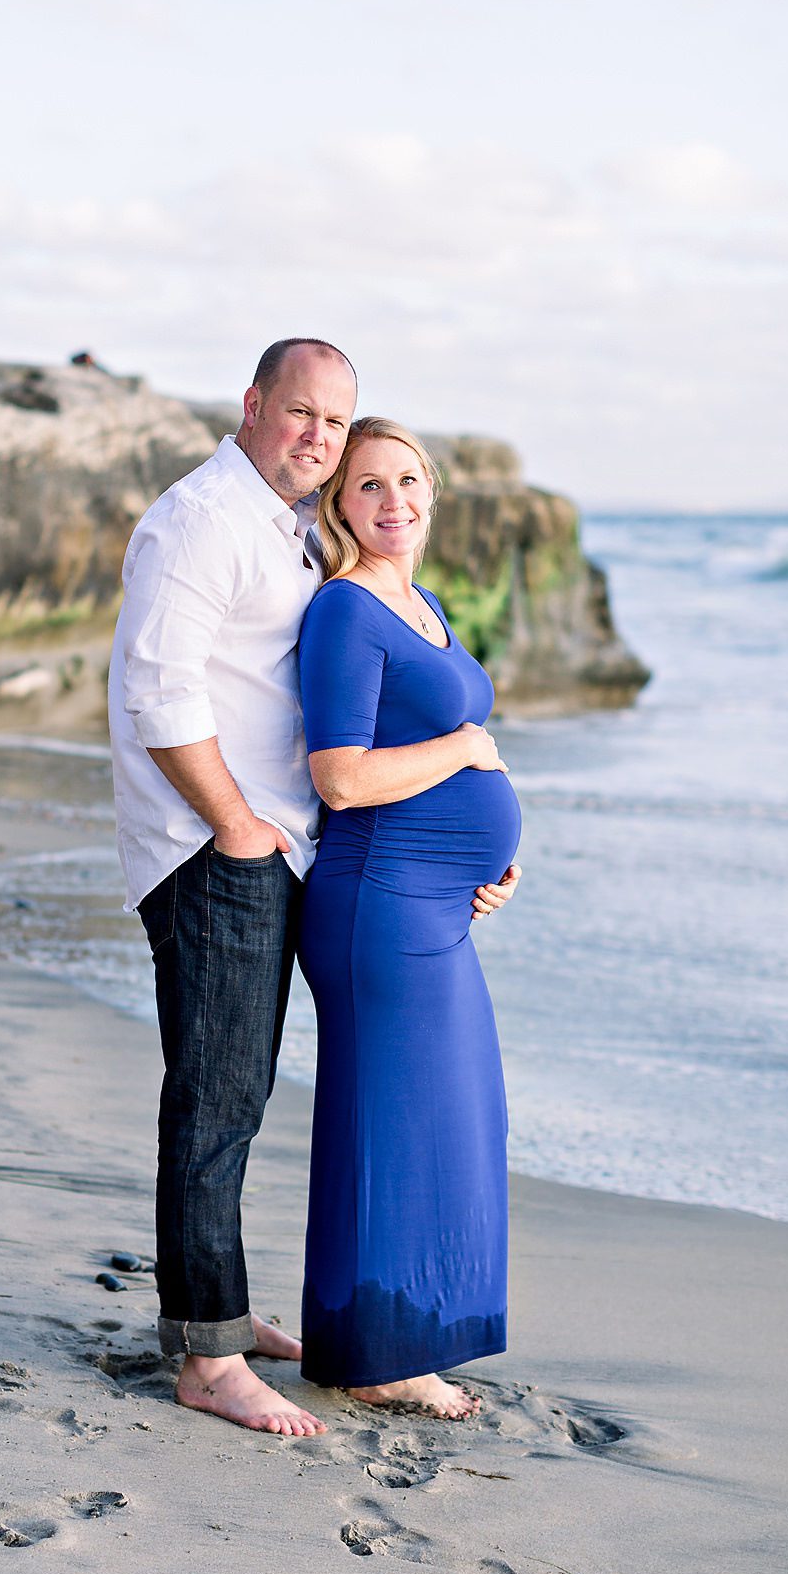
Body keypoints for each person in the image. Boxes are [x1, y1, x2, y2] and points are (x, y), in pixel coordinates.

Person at [109, 344, 518, 1437]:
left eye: (335, 424)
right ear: (252, 405)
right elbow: (156, 687)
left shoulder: (285, 532)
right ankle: (204, 1355)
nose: (318, 438)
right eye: (302, 414)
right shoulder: (199, 519)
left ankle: (225, 1313)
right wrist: (234, 823)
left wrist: (457, 851)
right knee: (217, 1096)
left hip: (286, 853)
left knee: (240, 1092)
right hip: (214, 853)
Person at [297, 416, 523, 1418]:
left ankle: (370, 1331)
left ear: (430, 490)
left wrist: (493, 859)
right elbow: (340, 776)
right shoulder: (344, 610)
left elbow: (442, 746)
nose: (394, 499)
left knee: (443, 1115)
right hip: (377, 897)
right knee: (399, 1121)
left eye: (408, 479)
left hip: (431, 897)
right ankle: (382, 1353)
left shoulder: (417, 599)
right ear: (337, 504)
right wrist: (468, 747)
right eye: (369, 485)